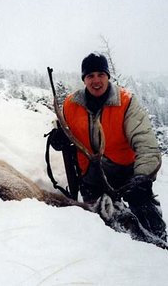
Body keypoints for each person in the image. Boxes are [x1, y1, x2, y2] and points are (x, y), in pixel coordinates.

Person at [51, 52, 167, 241]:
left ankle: (160, 245)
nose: (96, 80)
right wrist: (58, 138)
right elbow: (61, 129)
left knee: (146, 211)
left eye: (100, 74)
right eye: (90, 76)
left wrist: (142, 177)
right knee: (98, 229)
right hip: (91, 176)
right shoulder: (71, 105)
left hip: (126, 173)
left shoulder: (126, 102)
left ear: (108, 76)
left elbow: (145, 142)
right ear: (84, 79)